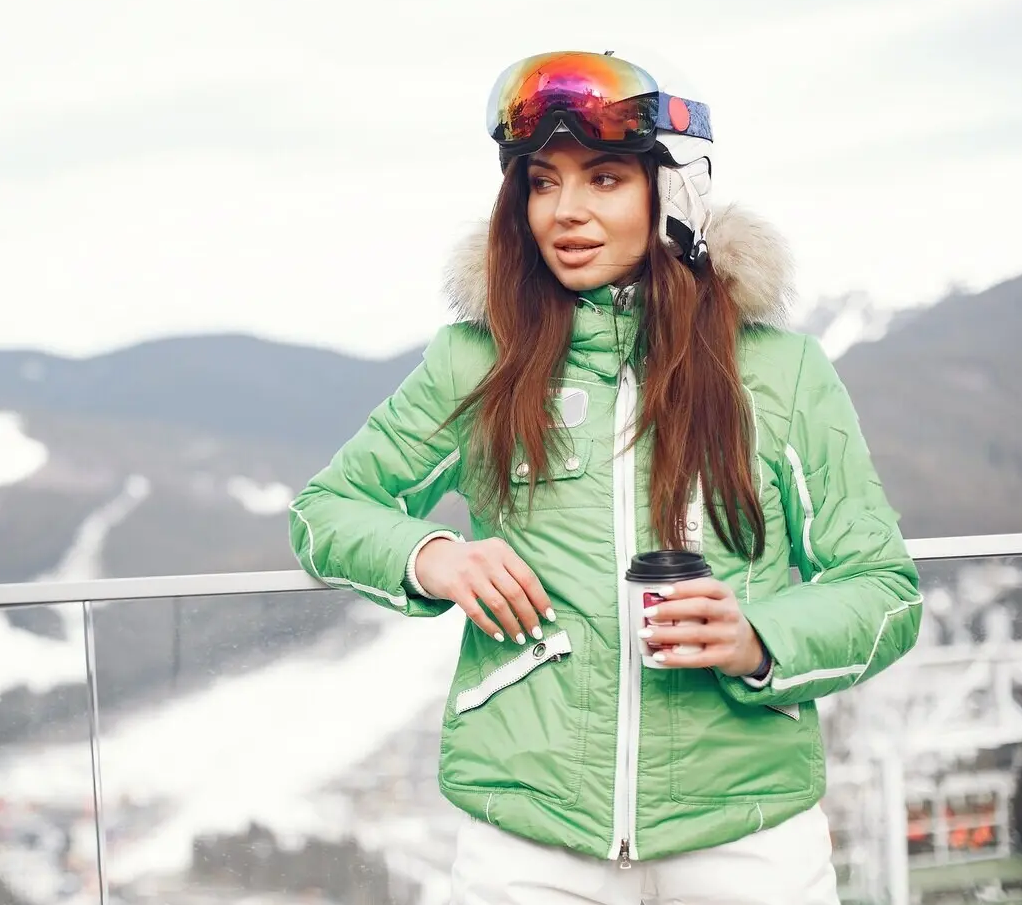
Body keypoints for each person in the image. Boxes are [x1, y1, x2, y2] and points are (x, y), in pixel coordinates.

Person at [288, 49, 922, 904]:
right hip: (527, 842)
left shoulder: (779, 372)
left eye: (606, 178)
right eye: (542, 182)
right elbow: (325, 511)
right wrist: (434, 557)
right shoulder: (477, 360)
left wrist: (759, 638)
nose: (566, 211)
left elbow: (883, 588)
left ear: (671, 194)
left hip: (747, 835)